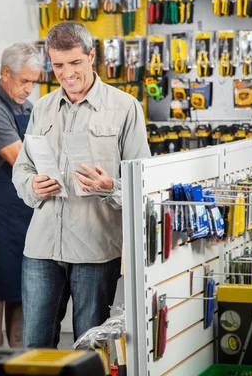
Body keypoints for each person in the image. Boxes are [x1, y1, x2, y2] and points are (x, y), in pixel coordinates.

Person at [12, 21, 151, 348]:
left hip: (96, 250)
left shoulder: (124, 108)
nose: (67, 73)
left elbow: (143, 183)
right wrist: (32, 185)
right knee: (34, 347)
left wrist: (111, 187)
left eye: (75, 63)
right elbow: (22, 168)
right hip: (42, 249)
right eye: (58, 65)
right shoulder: (43, 107)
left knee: (91, 349)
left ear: (92, 57)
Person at [0, 43, 42, 348]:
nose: (29, 89)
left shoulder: (25, 107)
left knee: (23, 277)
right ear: (5, 73)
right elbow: (20, 157)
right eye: (24, 81)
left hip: (23, 204)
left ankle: (20, 351)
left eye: (33, 83)